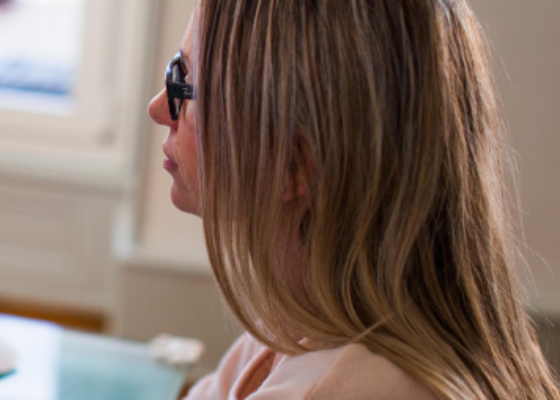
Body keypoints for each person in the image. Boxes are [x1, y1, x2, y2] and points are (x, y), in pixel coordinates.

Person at [148, 0, 560, 399]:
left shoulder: (341, 389)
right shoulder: (298, 322)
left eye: (180, 82)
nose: (158, 109)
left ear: (293, 163)